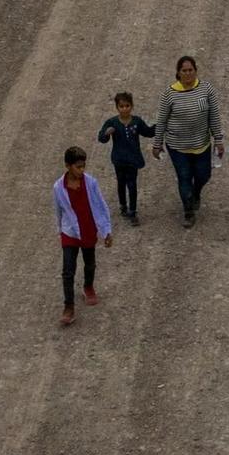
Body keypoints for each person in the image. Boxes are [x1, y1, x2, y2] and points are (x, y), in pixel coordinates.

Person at [152, 55, 223, 229]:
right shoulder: (169, 94)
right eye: (184, 70)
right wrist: (157, 143)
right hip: (178, 146)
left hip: (202, 144)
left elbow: (214, 116)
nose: (188, 73)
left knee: (203, 175)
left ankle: (196, 192)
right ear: (178, 72)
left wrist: (218, 140)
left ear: (196, 71)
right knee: (184, 177)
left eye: (191, 70)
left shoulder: (207, 90)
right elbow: (161, 120)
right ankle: (188, 211)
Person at [52, 146, 112, 327]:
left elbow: (101, 205)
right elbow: (58, 210)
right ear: (68, 166)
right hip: (69, 231)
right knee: (67, 271)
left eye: (83, 166)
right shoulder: (58, 187)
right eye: (78, 167)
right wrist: (59, 230)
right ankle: (68, 307)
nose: (81, 170)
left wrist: (106, 230)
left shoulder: (91, 183)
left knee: (90, 263)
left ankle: (88, 286)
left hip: (87, 229)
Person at [96, 91, 155, 224]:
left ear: (132, 106)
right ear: (117, 107)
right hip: (119, 159)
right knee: (121, 183)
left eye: (127, 106)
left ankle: (133, 212)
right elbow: (101, 138)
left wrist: (160, 126)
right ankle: (123, 205)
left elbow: (148, 132)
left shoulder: (137, 122)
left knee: (132, 185)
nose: (124, 109)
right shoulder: (112, 122)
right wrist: (106, 134)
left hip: (133, 160)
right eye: (121, 106)